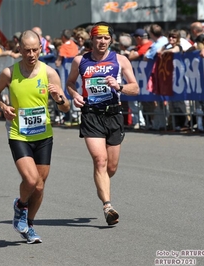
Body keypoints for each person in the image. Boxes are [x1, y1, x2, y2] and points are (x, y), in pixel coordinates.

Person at [0, 30, 70, 243]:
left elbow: (65, 107)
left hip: (44, 134)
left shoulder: (50, 73)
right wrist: (3, 106)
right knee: (31, 180)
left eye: (35, 50)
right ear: (20, 50)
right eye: (27, 50)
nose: (31, 54)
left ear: (41, 49)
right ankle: (20, 205)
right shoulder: (9, 73)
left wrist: (59, 99)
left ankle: (29, 225)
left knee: (40, 185)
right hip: (19, 133)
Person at [66, 22, 139, 226]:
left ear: (111, 40)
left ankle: (102, 182)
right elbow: (70, 83)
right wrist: (74, 95)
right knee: (100, 160)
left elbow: (135, 88)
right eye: (99, 37)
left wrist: (120, 86)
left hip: (114, 115)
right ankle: (108, 206)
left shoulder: (120, 60)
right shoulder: (80, 60)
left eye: (106, 38)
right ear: (92, 39)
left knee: (111, 166)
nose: (102, 41)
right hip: (91, 115)